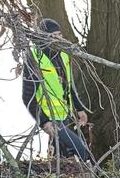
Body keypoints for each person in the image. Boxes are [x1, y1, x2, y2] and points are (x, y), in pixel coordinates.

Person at [22, 18, 90, 161]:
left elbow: (67, 86)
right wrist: (44, 121)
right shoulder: (34, 57)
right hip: (50, 117)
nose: (58, 39)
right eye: (53, 36)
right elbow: (28, 97)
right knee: (81, 150)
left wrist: (79, 109)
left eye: (60, 35)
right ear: (42, 37)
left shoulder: (63, 54)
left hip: (64, 115)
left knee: (61, 155)